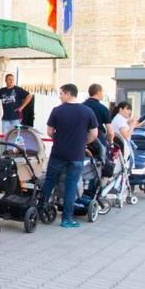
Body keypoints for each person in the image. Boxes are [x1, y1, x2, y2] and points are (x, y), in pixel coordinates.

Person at [39, 84, 98, 229]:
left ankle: (41, 209)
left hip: (58, 153)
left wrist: (59, 138)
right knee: (71, 186)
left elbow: (50, 131)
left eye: (61, 94)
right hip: (77, 155)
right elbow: (94, 134)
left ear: (68, 93)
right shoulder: (87, 111)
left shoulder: (57, 111)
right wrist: (84, 142)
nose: (60, 96)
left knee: (50, 181)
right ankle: (66, 219)